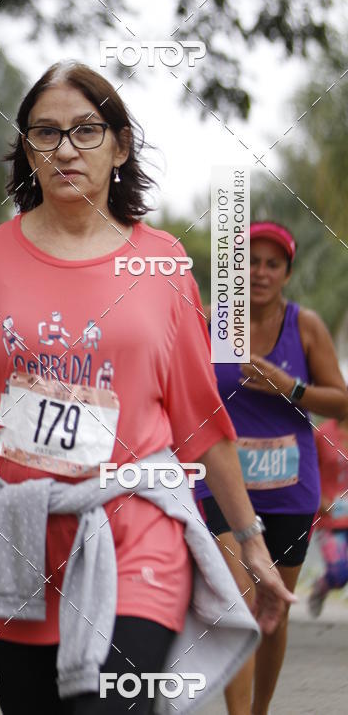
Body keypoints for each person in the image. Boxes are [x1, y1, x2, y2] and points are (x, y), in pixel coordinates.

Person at [0, 62, 293, 715]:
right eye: (45, 133)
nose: (66, 148)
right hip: (20, 542)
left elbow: (199, 416)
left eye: (86, 130)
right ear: (26, 149)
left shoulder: (160, 262)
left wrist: (251, 541)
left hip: (133, 535)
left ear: (120, 146)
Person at [195, 220, 348, 715]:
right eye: (249, 262)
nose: (259, 272)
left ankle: (258, 711)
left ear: (286, 272)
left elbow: (342, 403)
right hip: (222, 483)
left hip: (288, 487)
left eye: (272, 264)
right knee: (237, 602)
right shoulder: (211, 322)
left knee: (273, 610)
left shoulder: (306, 327)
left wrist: (291, 386)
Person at [308, 415, 348, 616]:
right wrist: (319, 498)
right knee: (339, 574)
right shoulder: (323, 434)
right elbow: (308, 470)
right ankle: (322, 586)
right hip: (331, 519)